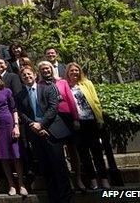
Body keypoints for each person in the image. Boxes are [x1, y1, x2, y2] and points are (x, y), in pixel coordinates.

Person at [16, 65, 72, 203]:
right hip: (35, 134)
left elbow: (53, 108)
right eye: (24, 75)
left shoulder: (47, 88)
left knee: (59, 166)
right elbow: (22, 113)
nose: (27, 77)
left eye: (29, 74)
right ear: (22, 79)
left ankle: (65, 197)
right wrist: (32, 124)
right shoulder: (20, 95)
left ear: (35, 75)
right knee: (45, 167)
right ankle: (53, 197)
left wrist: (41, 124)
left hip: (52, 131)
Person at [65, 62, 110, 190]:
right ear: (67, 72)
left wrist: (99, 119)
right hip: (77, 123)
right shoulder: (66, 86)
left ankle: (104, 178)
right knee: (84, 153)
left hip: (91, 120)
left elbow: (95, 101)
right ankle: (92, 179)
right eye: (72, 71)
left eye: (76, 70)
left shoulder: (87, 83)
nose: (74, 73)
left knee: (96, 151)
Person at [39, 61, 81, 190]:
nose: (46, 71)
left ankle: (78, 179)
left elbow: (70, 100)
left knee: (72, 149)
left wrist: (75, 118)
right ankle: (66, 179)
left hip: (66, 116)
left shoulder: (62, 82)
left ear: (52, 69)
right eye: (43, 69)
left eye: (48, 68)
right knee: (59, 153)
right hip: (52, 120)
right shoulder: (39, 85)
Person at [0, 70, 27, 197]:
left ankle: (21, 184)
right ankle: (11, 184)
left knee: (15, 155)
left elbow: (13, 109)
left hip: (9, 123)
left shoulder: (7, 91)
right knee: (3, 156)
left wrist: (16, 126)